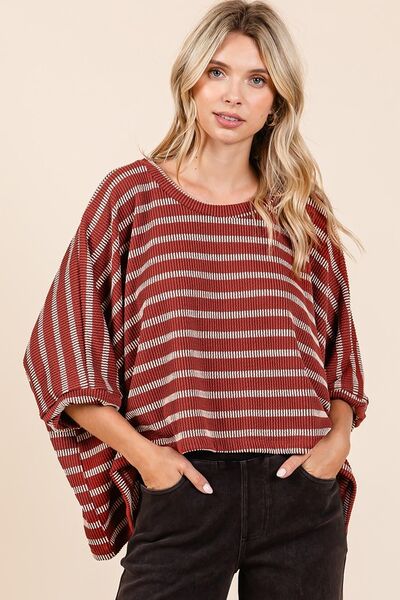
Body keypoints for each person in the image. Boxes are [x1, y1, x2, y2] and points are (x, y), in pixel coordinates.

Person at [22, 1, 370, 598]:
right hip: (183, 490)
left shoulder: (300, 213)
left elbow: (341, 359)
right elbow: (61, 351)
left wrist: (334, 446)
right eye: (217, 72)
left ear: (276, 101)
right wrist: (146, 459)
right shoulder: (132, 198)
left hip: (299, 494)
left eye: (256, 79)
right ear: (190, 81)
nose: (233, 95)